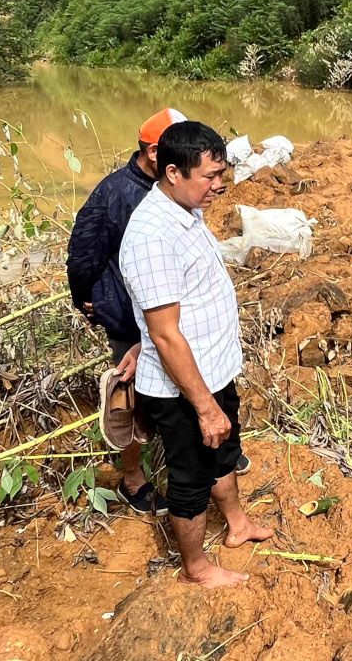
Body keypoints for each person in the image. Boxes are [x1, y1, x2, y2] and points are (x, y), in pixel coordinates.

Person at [117, 119, 273, 588]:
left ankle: (237, 525)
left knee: (224, 453)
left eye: (221, 174)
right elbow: (166, 336)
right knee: (190, 478)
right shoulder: (151, 236)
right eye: (210, 176)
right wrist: (204, 406)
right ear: (171, 172)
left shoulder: (186, 210)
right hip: (183, 387)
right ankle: (196, 569)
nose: (219, 186)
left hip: (214, 369)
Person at [67, 107, 183, 512]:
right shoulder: (116, 193)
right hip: (129, 317)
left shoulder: (174, 186)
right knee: (129, 397)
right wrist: (88, 297)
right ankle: (133, 478)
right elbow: (82, 252)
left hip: (170, 309)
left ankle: (187, 452)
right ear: (155, 153)